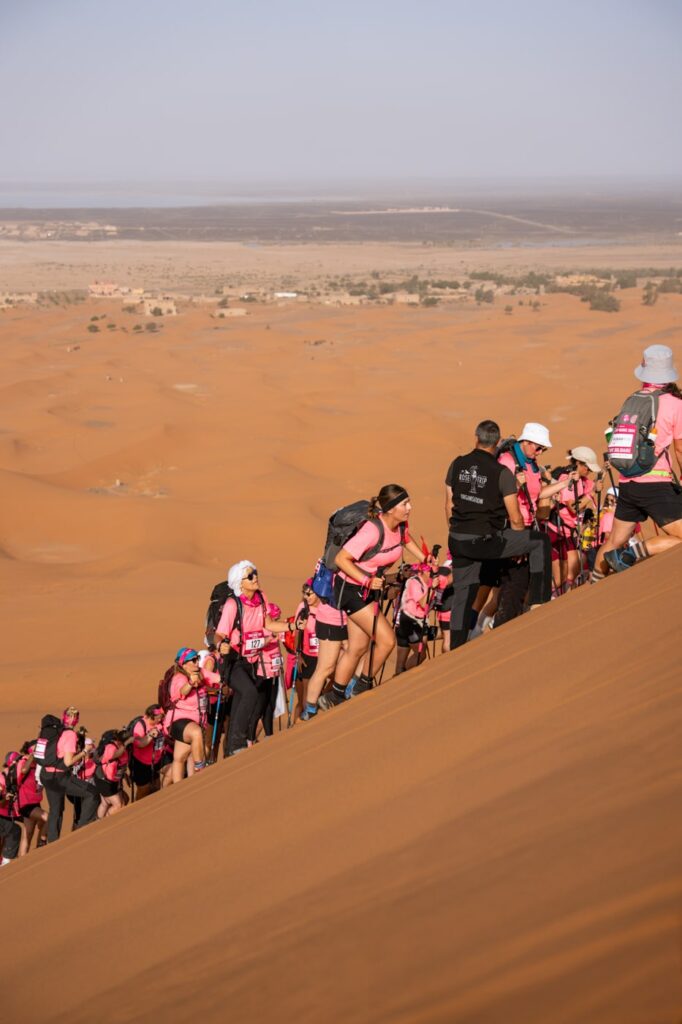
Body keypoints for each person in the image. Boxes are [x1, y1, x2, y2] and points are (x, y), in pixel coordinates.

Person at [320, 484, 433, 707]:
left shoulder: (400, 526)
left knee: (359, 647)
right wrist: (367, 580)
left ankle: (335, 695)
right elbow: (342, 560)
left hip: (368, 589)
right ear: (390, 509)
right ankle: (362, 688)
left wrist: (423, 558)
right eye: (404, 504)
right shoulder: (372, 530)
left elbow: (405, 538)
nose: (410, 507)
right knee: (387, 640)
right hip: (351, 590)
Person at [446, 420, 552, 649]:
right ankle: (539, 602)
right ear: (497, 442)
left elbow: (448, 504)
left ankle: (455, 649)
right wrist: (518, 545)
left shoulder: (457, 464)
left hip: (458, 539)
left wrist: (455, 533)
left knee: (464, 596)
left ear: (476, 437)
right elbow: (515, 518)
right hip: (486, 540)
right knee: (540, 541)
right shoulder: (502, 472)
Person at [593, 345, 682, 577]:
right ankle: (631, 554)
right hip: (656, 484)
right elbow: (680, 449)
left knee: (614, 540)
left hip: (628, 482)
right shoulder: (675, 404)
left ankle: (595, 581)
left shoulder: (632, 399)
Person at [214, 562, 294, 756]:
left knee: (241, 700)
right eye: (250, 576)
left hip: (252, 660)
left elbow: (268, 624)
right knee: (249, 692)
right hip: (232, 661)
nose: (255, 578)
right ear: (239, 583)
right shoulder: (233, 604)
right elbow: (219, 634)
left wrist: (291, 627)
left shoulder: (261, 597)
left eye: (255, 573)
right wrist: (220, 645)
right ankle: (238, 744)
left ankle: (230, 750)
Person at [495, 422, 552, 626]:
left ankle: (508, 625)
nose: (540, 452)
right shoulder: (508, 461)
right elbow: (497, 495)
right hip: (509, 527)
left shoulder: (530, 463)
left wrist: (563, 484)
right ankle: (538, 602)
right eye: (538, 447)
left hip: (525, 527)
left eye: (542, 449)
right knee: (515, 584)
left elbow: (535, 495)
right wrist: (517, 535)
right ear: (526, 442)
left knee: (519, 582)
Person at [40, 707, 99, 843]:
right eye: (73, 716)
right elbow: (68, 762)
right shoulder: (70, 734)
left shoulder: (53, 731)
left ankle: (52, 844)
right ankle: (81, 832)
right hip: (59, 777)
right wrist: (84, 752)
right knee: (92, 793)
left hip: (46, 775)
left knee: (56, 810)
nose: (73, 718)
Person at [164, 648, 209, 782]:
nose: (197, 663)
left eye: (198, 659)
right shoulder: (179, 678)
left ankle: (179, 789)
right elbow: (182, 690)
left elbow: (216, 679)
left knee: (179, 758)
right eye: (193, 660)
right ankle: (200, 769)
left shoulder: (200, 673)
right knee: (196, 734)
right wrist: (190, 683)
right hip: (178, 722)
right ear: (184, 664)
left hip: (193, 722)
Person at [395, 563, 432, 674]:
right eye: (429, 571)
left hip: (407, 622)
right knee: (421, 654)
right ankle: (402, 679)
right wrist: (432, 588)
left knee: (400, 665)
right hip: (410, 622)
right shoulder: (414, 582)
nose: (432, 574)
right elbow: (422, 602)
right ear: (421, 571)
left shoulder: (420, 581)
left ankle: (398, 680)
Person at [130, 705, 169, 800]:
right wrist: (150, 735)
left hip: (157, 760)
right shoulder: (140, 725)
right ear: (152, 716)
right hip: (141, 763)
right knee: (144, 789)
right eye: (159, 717)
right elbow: (139, 743)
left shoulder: (161, 723)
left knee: (156, 786)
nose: (161, 719)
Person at [15, 742, 47, 855]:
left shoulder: (38, 764)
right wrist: (32, 756)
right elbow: (23, 771)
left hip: (35, 802)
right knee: (48, 817)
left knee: (28, 834)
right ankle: (41, 844)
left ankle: (22, 862)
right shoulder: (23, 761)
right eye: (35, 749)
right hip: (26, 803)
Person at [95, 730, 130, 819]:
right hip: (104, 780)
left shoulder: (121, 747)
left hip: (113, 780)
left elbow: (121, 764)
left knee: (106, 803)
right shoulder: (110, 747)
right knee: (119, 805)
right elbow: (115, 755)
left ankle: (98, 821)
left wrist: (124, 774)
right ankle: (105, 823)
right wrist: (125, 744)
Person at [0, 756, 21, 866]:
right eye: (18, 761)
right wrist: (5, 798)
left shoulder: (11, 776)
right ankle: (6, 861)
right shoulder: (2, 778)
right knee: (14, 830)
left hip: (7, 813)